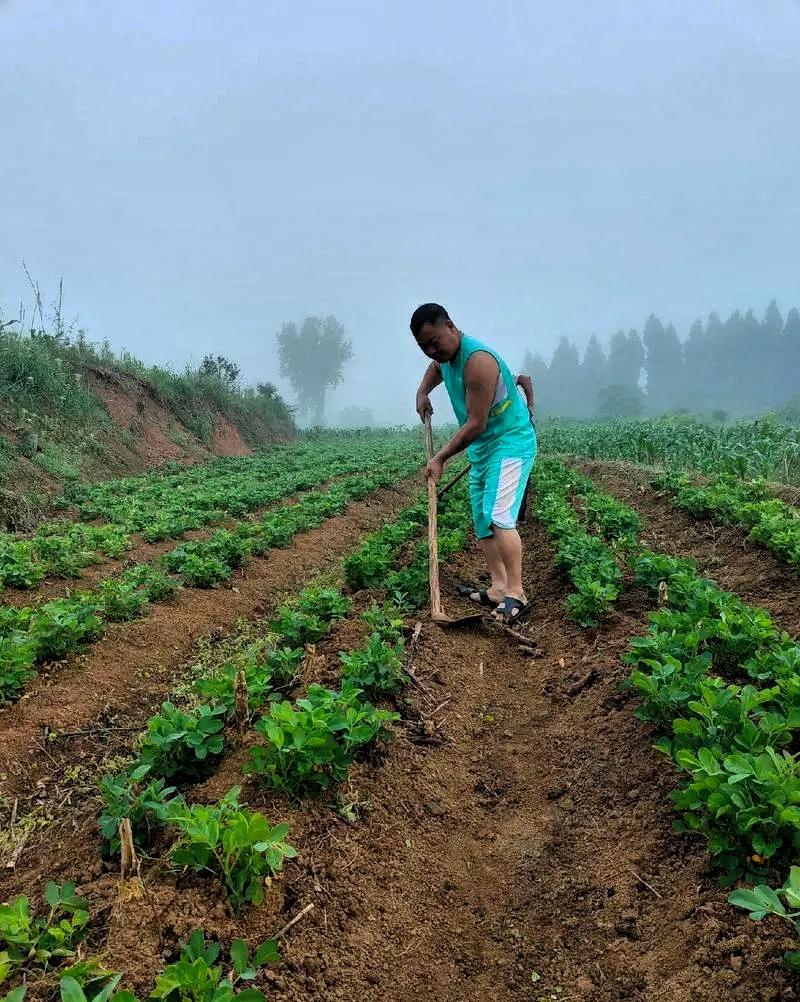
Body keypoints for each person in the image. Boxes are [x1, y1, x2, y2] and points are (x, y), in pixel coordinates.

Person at [410, 303, 537, 623]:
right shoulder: (445, 358)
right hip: (484, 449)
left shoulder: (478, 362)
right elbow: (436, 368)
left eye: (435, 342)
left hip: (510, 443)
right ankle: (498, 587)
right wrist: (422, 392)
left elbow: (476, 424)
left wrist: (440, 457)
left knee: (499, 516)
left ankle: (516, 593)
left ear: (451, 326)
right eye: (424, 347)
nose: (432, 351)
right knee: (482, 518)